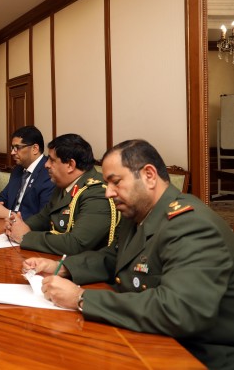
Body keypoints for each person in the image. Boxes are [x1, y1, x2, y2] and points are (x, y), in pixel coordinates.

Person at [25, 140, 234, 369]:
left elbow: (179, 310)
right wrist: (62, 267)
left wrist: (81, 298)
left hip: (194, 356)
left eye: (115, 182)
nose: (108, 193)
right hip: (146, 338)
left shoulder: (191, 225)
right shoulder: (139, 213)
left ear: (149, 176)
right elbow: (113, 257)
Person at [5, 133, 118, 255]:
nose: (46, 164)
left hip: (82, 264)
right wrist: (19, 226)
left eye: (52, 160)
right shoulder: (64, 185)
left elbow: (76, 243)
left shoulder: (97, 192)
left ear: (70, 165)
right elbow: (43, 217)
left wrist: (26, 237)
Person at [0, 125, 54, 220]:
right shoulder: (18, 169)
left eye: (17, 148)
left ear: (35, 149)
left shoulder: (49, 172)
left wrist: (9, 214)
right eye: (12, 148)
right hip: (6, 224)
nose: (12, 152)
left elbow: (44, 217)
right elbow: (3, 197)